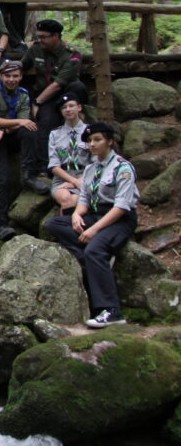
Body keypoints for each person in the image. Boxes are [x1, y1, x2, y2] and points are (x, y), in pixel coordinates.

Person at [45, 122, 139, 328]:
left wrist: (94, 230)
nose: (92, 144)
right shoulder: (90, 169)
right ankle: (97, 251)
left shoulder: (122, 168)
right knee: (54, 224)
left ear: (110, 141)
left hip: (118, 219)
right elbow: (85, 199)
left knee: (94, 251)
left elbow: (122, 207)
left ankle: (111, 310)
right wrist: (77, 216)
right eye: (89, 141)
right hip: (95, 214)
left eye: (97, 140)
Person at [0, 60, 47, 241]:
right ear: (1, 76)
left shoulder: (24, 94)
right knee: (0, 177)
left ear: (21, 76)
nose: (12, 79)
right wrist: (1, 129)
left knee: (30, 129)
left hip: (11, 134)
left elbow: (24, 120)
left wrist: (4, 130)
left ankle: (28, 175)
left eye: (15, 76)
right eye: (8, 76)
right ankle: (2, 225)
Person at [21, 18, 86, 168]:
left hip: (65, 95)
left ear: (56, 36)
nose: (40, 40)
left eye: (44, 37)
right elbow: (22, 66)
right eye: (39, 37)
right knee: (45, 124)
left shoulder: (72, 54)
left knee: (78, 86)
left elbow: (58, 84)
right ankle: (45, 166)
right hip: (46, 96)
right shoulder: (36, 49)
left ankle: (80, 113)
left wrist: (37, 102)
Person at [48, 94, 91, 213]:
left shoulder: (90, 132)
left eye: (71, 106)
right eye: (64, 107)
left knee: (75, 200)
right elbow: (53, 166)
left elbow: (96, 162)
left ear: (79, 107)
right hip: (62, 178)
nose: (68, 109)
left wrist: (79, 181)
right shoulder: (55, 134)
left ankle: (65, 228)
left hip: (85, 177)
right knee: (65, 198)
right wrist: (73, 181)